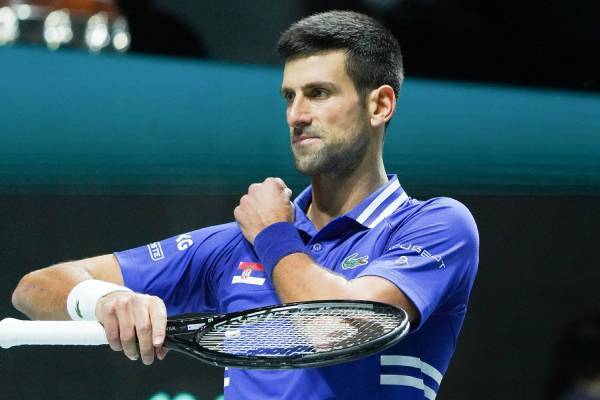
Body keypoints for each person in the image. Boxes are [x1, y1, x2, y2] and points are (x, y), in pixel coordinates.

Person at [11, 10, 479, 400]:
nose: (296, 115)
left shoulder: (435, 225)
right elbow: (35, 288)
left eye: (318, 94)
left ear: (379, 105)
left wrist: (274, 235)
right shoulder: (235, 244)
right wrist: (104, 298)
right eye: (289, 97)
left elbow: (338, 327)